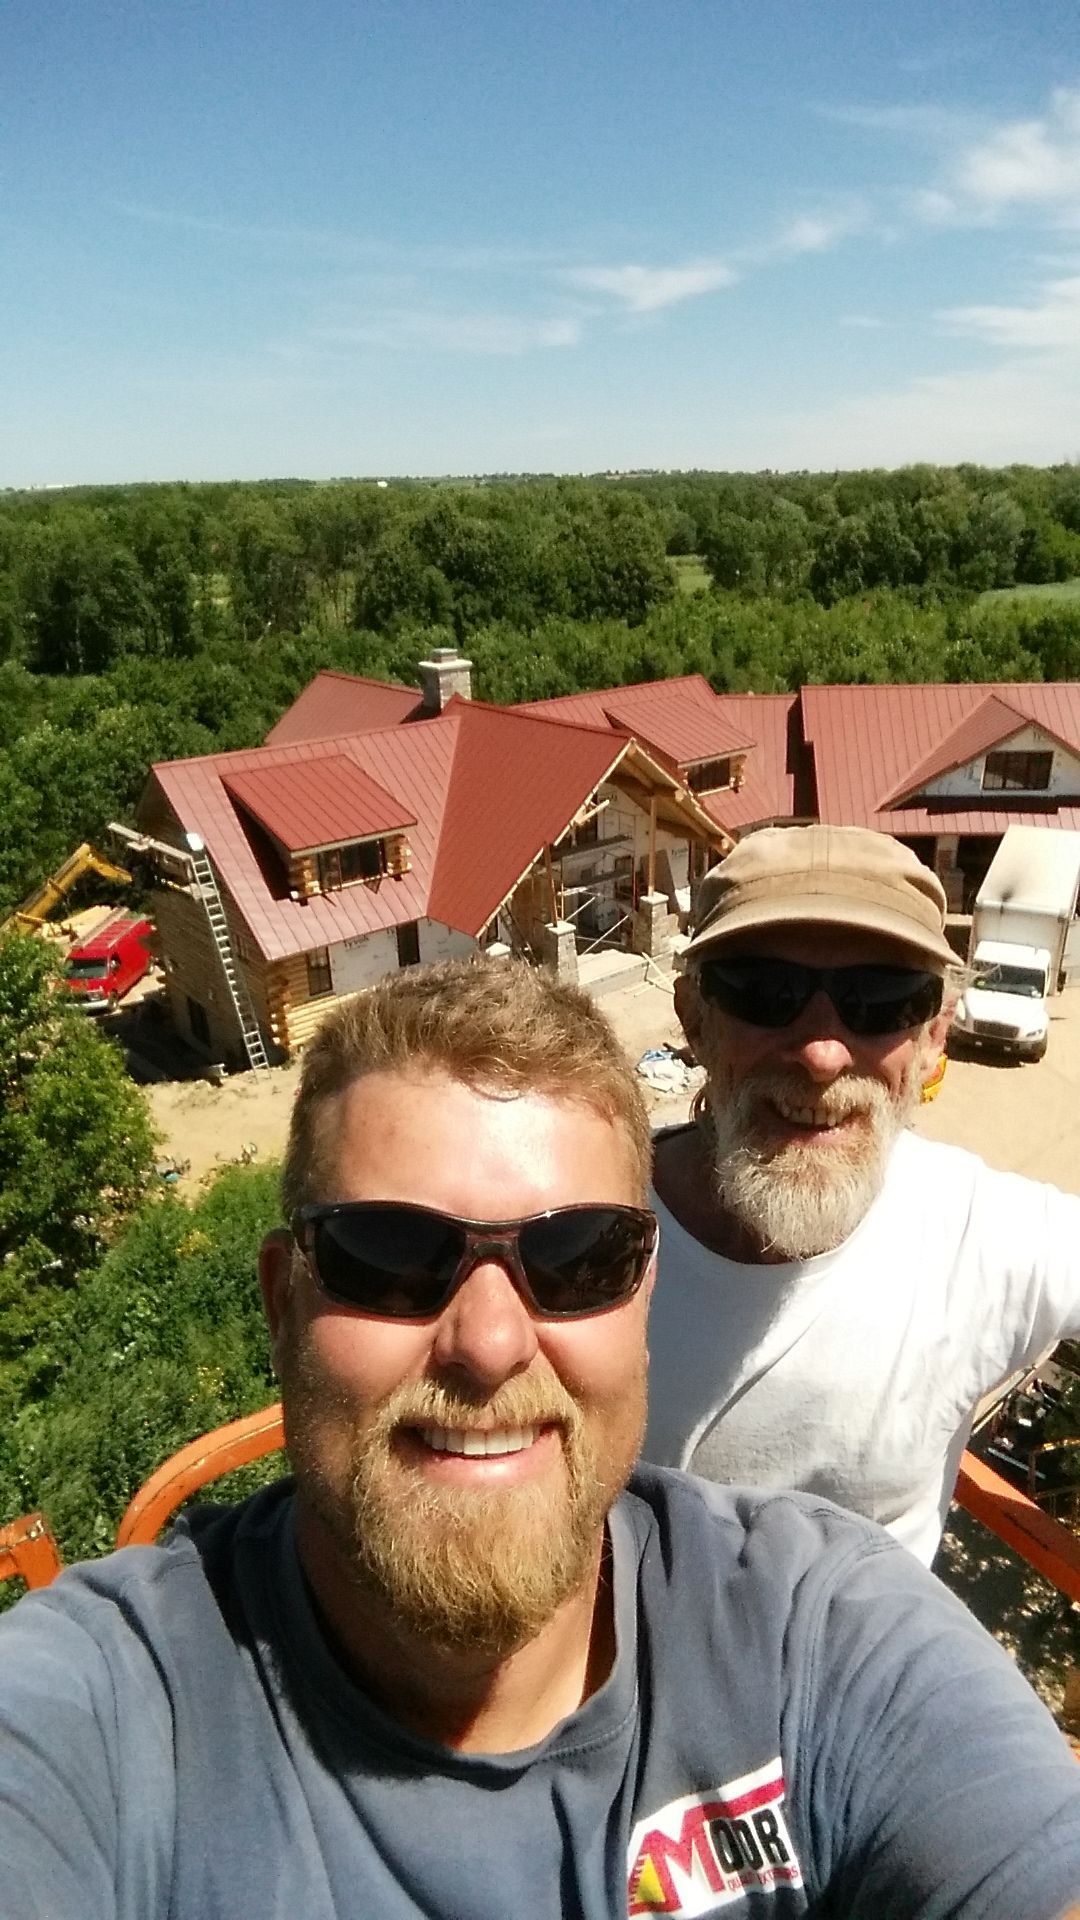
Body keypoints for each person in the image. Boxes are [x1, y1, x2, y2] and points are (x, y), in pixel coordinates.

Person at [3, 956, 1080, 1920]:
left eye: (577, 1258)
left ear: (642, 1298)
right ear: (284, 1304)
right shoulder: (104, 1716)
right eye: (388, 1251)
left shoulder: (825, 1628)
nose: (489, 1340)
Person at [643, 823, 1080, 1564]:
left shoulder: (984, 1237)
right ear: (694, 1017)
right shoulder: (579, 1224)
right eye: (764, 993)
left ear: (936, 1032)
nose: (821, 1052)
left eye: (880, 1000)